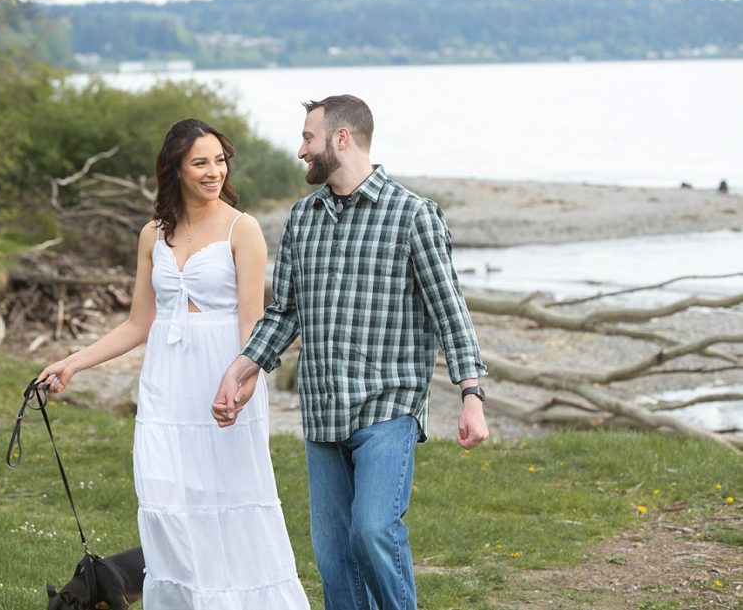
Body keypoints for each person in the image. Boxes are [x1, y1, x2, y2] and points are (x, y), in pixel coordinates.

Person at [212, 95, 489, 610]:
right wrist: (242, 367)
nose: (300, 151)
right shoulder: (303, 219)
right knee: (334, 559)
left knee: (373, 532)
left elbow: (450, 310)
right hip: (322, 411)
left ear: (342, 139)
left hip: (388, 406)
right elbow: (284, 312)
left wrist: (470, 393)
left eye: (308, 138)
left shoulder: (413, 216)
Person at [38, 118, 310, 609]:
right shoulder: (153, 234)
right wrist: (74, 363)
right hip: (165, 384)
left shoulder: (242, 229)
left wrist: (245, 381)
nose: (214, 172)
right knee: (165, 507)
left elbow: (252, 323)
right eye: (200, 162)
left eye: (220, 160)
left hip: (223, 380)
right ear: (176, 168)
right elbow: (138, 324)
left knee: (225, 508)